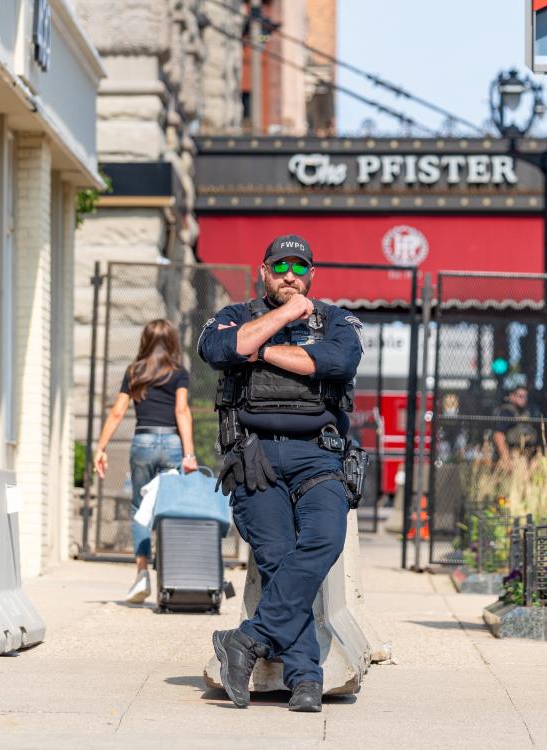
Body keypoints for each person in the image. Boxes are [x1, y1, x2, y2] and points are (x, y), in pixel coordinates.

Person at [198, 234, 363, 713]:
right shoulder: (233, 314)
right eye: (281, 267)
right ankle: (306, 678)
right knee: (277, 558)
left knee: (323, 542)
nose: (291, 275)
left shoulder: (337, 320)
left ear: (312, 275)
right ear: (264, 271)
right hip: (256, 458)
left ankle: (247, 640)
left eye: (300, 268)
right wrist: (285, 317)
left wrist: (260, 350)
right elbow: (219, 349)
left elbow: (337, 361)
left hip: (320, 457)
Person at [93, 319, 199, 603]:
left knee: (141, 509)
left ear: (145, 342)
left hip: (142, 441)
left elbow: (116, 412)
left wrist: (100, 448)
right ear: (173, 343)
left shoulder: (134, 371)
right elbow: (181, 411)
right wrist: (189, 454)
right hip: (172, 444)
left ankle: (142, 574)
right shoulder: (179, 373)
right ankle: (171, 574)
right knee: (170, 506)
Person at [492, 386, 540, 465]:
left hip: (526, 458)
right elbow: (498, 436)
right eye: (520, 396)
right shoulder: (507, 412)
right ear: (512, 396)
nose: (524, 399)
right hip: (512, 457)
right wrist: (507, 461)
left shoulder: (528, 413)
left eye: (525, 396)